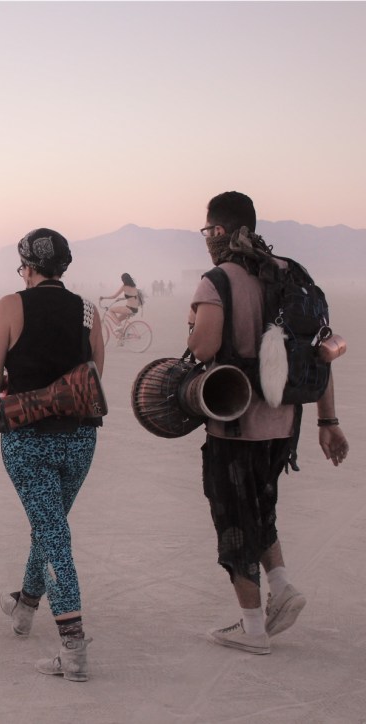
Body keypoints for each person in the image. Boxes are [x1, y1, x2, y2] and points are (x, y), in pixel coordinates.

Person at [189, 191, 349, 655]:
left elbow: (201, 348)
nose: (206, 239)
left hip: (234, 423)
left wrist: (193, 321)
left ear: (219, 230)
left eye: (207, 231)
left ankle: (253, 629)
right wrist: (328, 420)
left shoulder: (218, 280)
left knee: (234, 522)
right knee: (261, 508)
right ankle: (282, 587)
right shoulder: (292, 273)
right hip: (284, 424)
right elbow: (319, 353)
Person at [0, 228, 105, 682]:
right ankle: (25, 605)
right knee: (50, 527)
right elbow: (93, 377)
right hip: (80, 439)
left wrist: (23, 383)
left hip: (28, 439)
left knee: (52, 533)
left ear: (29, 267)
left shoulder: (10, 305)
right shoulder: (89, 311)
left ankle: (73, 646)